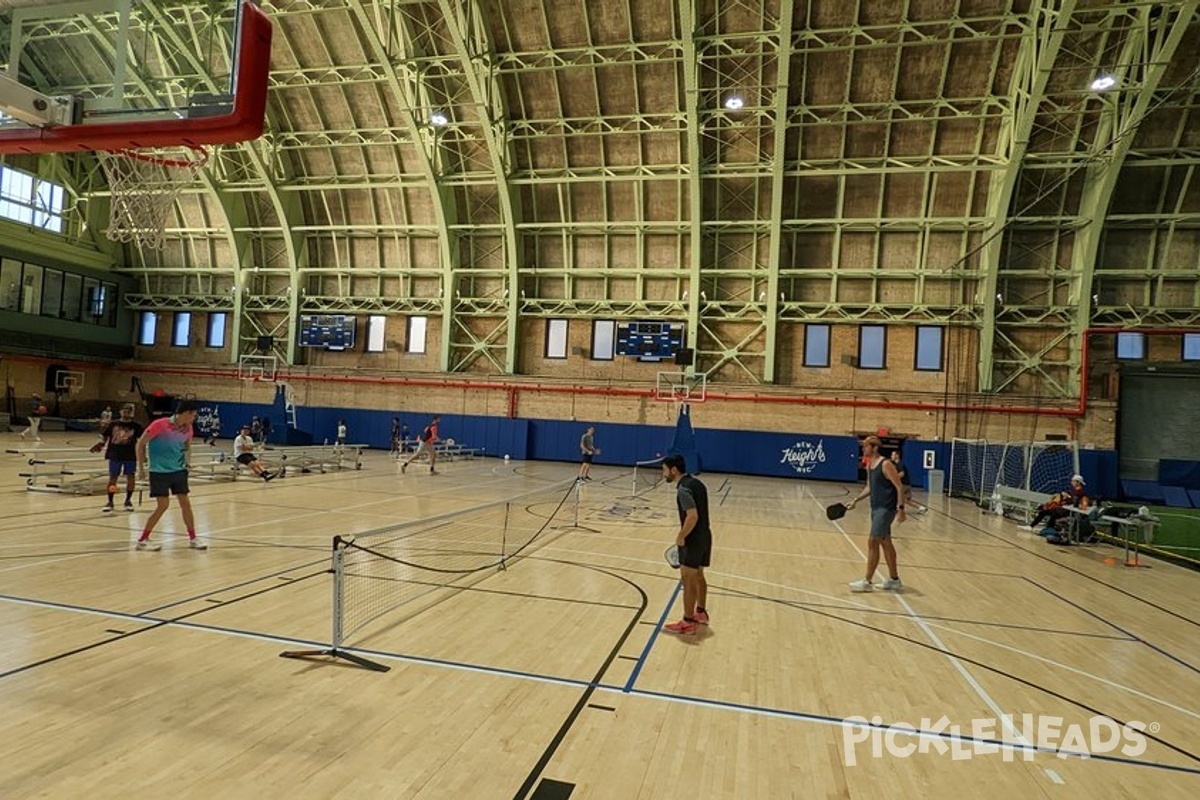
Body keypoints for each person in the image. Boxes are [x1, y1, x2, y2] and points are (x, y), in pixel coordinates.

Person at [134, 400, 206, 551]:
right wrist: (141, 468)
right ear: (186, 413)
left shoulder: (188, 428)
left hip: (178, 471)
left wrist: (187, 462)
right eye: (193, 415)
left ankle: (193, 538)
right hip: (159, 471)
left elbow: (187, 446)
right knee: (163, 506)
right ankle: (142, 540)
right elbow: (140, 444)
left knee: (185, 503)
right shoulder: (160, 424)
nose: (194, 418)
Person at [847, 435, 906, 592]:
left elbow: (899, 487)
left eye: (865, 446)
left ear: (874, 448)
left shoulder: (886, 464)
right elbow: (870, 487)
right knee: (885, 542)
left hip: (886, 509)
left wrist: (901, 509)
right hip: (875, 508)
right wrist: (856, 500)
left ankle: (867, 581)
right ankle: (894, 579)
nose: (863, 449)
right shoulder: (870, 465)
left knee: (873, 541)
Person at [661, 454, 712, 635]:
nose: (663, 473)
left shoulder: (683, 489)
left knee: (688, 580)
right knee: (698, 575)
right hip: (705, 536)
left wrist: (681, 536)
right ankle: (701, 613)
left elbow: (692, 516)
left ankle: (688, 621)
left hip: (692, 539)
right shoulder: (697, 483)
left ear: (674, 470)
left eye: (665, 469)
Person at [100, 403, 143, 512]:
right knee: (113, 478)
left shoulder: (136, 426)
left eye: (128, 411)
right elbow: (105, 436)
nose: (126, 413)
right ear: (120, 411)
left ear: (132, 413)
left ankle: (128, 500)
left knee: (130, 477)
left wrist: (143, 455)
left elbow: (142, 441)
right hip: (115, 454)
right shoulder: (113, 424)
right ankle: (110, 501)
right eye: (124, 410)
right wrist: (101, 444)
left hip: (130, 455)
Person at [1025, 474, 1089, 531]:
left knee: (1054, 513)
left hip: (1068, 510)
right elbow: (1068, 498)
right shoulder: (1073, 490)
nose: (1071, 482)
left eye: (1073, 481)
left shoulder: (1080, 492)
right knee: (1044, 511)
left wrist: (1068, 497)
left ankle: (1049, 528)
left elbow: (1075, 502)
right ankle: (1032, 526)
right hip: (1063, 508)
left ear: (1078, 482)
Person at [889, 450, 926, 514]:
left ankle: (895, 509)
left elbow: (902, 473)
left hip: (904, 485)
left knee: (894, 494)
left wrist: (894, 479)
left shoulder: (899, 464)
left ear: (897, 456)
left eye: (893, 455)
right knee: (907, 500)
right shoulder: (897, 464)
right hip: (907, 484)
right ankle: (921, 508)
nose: (891, 456)